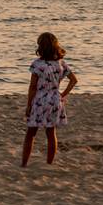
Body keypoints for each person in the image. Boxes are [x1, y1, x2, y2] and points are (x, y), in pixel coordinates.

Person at [22, 32, 78, 167]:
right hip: (55, 99)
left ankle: (24, 163)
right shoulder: (61, 63)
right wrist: (62, 94)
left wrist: (29, 105)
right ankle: (49, 163)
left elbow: (33, 87)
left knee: (31, 133)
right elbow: (74, 80)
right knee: (51, 133)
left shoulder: (37, 64)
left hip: (40, 99)